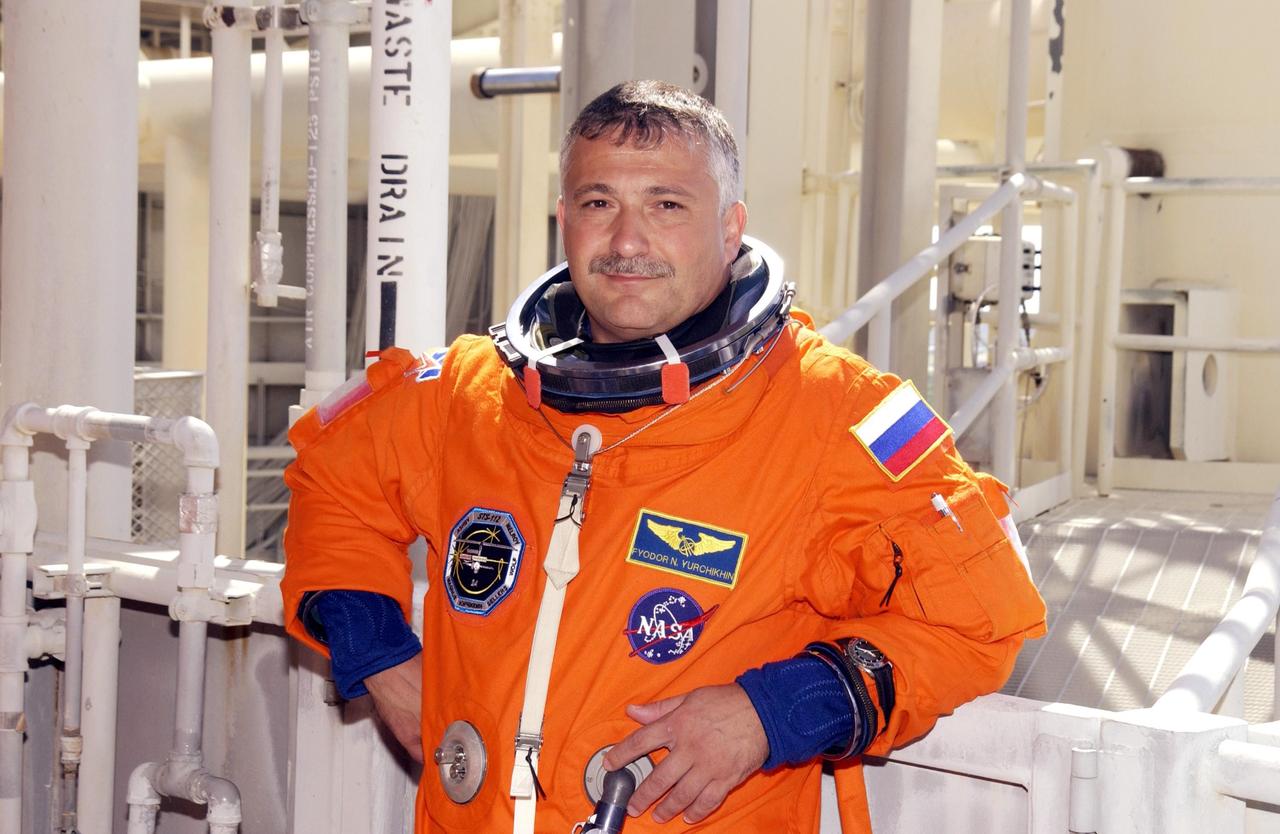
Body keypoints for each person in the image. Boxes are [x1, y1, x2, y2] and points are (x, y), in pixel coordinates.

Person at [281, 80, 1046, 834]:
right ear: (564, 220)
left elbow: (980, 620)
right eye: (597, 202)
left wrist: (772, 712)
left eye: (667, 205)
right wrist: (379, 654)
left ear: (731, 226)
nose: (626, 242)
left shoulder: (831, 415)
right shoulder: (470, 394)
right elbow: (334, 484)